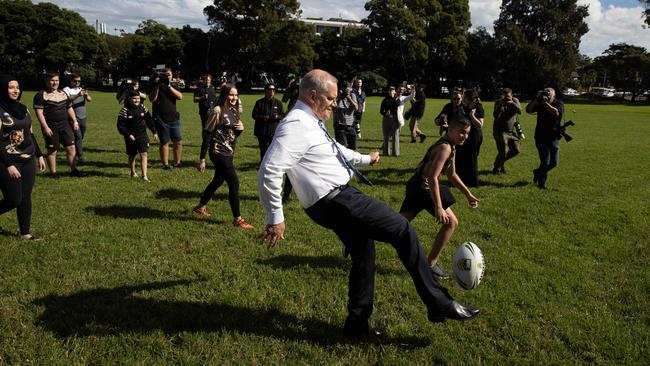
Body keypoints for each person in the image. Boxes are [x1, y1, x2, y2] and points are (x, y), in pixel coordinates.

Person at [258, 69, 479, 339]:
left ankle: (356, 326)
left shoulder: (309, 120)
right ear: (313, 95)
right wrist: (275, 217)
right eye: (330, 98)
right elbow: (269, 169)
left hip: (335, 198)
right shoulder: (295, 125)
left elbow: (333, 150)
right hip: (336, 200)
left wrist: (365, 158)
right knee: (402, 230)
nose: (335, 104)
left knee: (364, 254)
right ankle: (439, 303)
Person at [400, 113, 479, 279]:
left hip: (417, 186)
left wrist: (468, 194)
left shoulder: (452, 146)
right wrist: (438, 207)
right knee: (452, 223)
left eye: (467, 133)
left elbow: (452, 175)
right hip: (422, 189)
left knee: (397, 225)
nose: (464, 136)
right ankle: (430, 264)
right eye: (461, 132)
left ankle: (362, 237)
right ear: (450, 129)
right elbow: (432, 177)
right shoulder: (445, 147)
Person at [193, 84, 254, 229]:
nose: (234, 98)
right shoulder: (217, 110)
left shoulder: (233, 111)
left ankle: (200, 207)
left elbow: (230, 136)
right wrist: (202, 158)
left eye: (236, 95)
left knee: (218, 181)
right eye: (231, 95)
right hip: (218, 153)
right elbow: (208, 134)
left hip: (228, 152)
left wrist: (241, 129)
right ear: (224, 95)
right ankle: (237, 219)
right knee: (234, 183)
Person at [0, 74, 47, 240]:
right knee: (13, 199)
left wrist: (40, 155)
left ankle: (25, 233)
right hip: (7, 161)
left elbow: (30, 134)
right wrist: (8, 165)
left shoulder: (23, 108)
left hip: (28, 159)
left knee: (26, 197)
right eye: (11, 87)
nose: (15, 90)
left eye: (17, 87)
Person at [33, 72, 82, 178]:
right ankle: (53, 173)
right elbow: (39, 113)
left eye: (56, 80)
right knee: (52, 150)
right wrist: (45, 127)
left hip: (65, 125)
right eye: (52, 80)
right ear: (47, 81)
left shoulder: (63, 93)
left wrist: (75, 121)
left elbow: (69, 107)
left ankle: (74, 170)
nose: (55, 83)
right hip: (51, 126)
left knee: (71, 147)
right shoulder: (41, 95)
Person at [525, 87, 563, 189]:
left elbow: (556, 113)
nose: (547, 95)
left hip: (553, 137)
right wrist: (536, 100)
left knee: (554, 162)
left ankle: (537, 172)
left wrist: (546, 103)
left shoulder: (558, 103)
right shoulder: (539, 103)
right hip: (540, 136)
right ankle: (542, 183)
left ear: (554, 96)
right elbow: (528, 110)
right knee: (545, 161)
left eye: (549, 94)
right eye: (545, 93)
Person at [117, 90, 157, 182]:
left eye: (138, 98)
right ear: (130, 99)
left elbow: (149, 120)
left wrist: (154, 131)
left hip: (142, 135)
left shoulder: (143, 107)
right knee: (132, 155)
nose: (137, 100)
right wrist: (128, 135)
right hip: (130, 137)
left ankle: (144, 176)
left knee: (144, 153)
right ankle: (133, 172)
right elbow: (120, 126)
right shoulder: (125, 110)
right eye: (134, 99)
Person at [149, 68, 183, 170]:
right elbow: (152, 99)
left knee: (178, 141)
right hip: (160, 118)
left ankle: (177, 162)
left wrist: (169, 86)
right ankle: (166, 165)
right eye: (165, 74)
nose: (167, 76)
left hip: (173, 117)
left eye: (169, 74)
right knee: (164, 142)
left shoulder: (174, 85)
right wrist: (158, 85)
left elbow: (180, 97)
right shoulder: (154, 84)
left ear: (172, 76)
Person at [454, 88, 484, 187]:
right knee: (460, 157)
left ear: (470, 98)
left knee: (471, 158)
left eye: (464, 97)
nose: (462, 98)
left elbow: (480, 125)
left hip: (474, 135)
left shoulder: (478, 107)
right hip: (464, 134)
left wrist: (472, 116)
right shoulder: (464, 106)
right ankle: (460, 181)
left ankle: (472, 182)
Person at [63, 74, 92, 164]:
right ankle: (80, 157)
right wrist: (78, 95)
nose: (77, 83)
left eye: (79, 81)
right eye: (75, 81)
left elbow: (90, 100)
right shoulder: (66, 89)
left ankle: (73, 150)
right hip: (73, 118)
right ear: (71, 80)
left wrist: (86, 95)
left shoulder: (81, 89)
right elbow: (67, 100)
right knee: (78, 136)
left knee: (80, 136)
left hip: (83, 117)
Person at [252, 83, 285, 162]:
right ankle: (262, 164)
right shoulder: (259, 103)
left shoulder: (278, 103)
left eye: (273, 89)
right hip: (262, 131)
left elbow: (283, 115)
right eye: (270, 89)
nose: (272, 91)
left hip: (273, 130)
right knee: (263, 149)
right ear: (265, 91)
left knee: (272, 150)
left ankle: (271, 164)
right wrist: (264, 118)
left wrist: (277, 117)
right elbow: (254, 115)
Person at [492, 88, 522, 174]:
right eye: (504, 97)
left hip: (511, 131)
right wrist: (500, 105)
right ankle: (496, 169)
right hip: (499, 131)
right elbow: (495, 116)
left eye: (508, 97)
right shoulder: (498, 102)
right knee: (503, 151)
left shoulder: (515, 100)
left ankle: (500, 163)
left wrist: (512, 103)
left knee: (516, 150)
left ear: (511, 96)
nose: (506, 99)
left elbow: (520, 111)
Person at [333, 81, 358, 149]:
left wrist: (348, 98)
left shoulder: (352, 96)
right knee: (342, 148)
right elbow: (334, 108)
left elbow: (356, 108)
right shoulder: (336, 96)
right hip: (340, 126)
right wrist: (340, 97)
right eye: (346, 88)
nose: (348, 90)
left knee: (353, 146)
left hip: (350, 125)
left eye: (349, 88)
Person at [380, 86, 400, 156]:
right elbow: (381, 111)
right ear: (388, 92)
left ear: (394, 92)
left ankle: (395, 153)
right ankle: (385, 152)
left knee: (395, 136)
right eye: (390, 90)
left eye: (393, 91)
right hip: (386, 119)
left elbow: (397, 105)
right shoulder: (385, 100)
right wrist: (385, 113)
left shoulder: (397, 99)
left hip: (395, 119)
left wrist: (394, 97)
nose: (391, 92)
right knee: (386, 136)